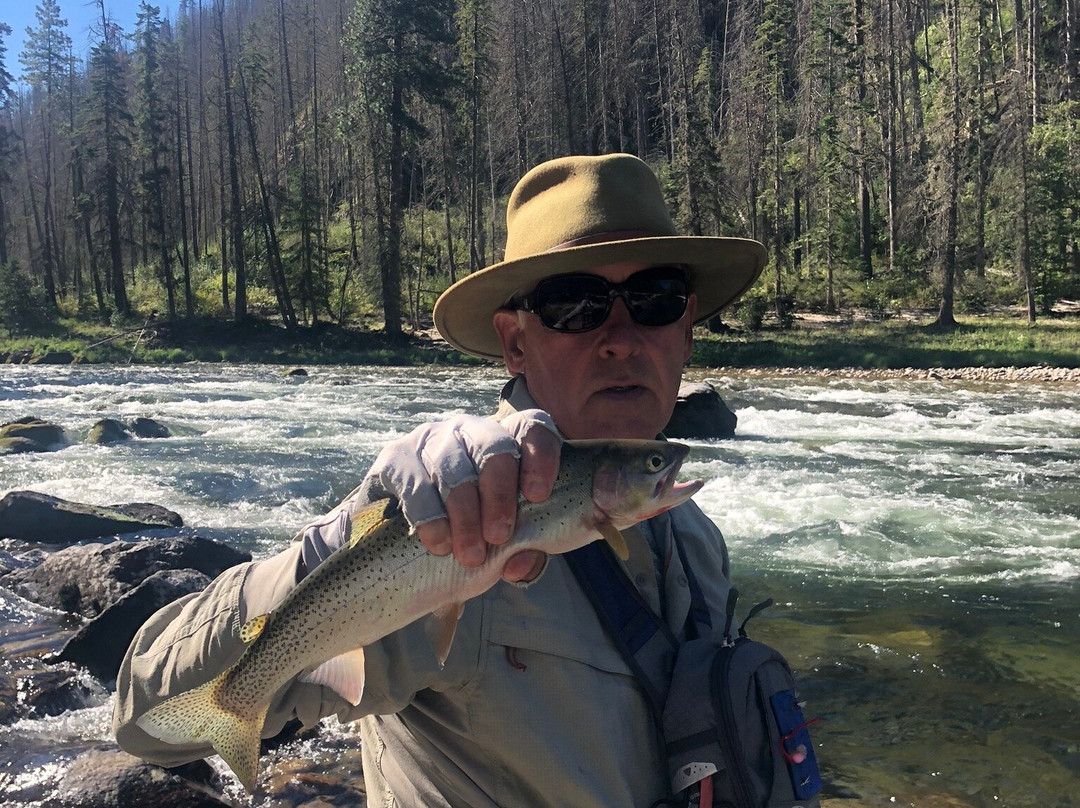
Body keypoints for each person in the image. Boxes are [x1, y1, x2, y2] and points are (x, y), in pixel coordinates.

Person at [113, 153, 767, 807]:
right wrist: (336, 546)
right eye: (575, 304)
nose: (621, 338)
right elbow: (146, 716)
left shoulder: (693, 536)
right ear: (514, 343)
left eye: (655, 299)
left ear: (685, 329)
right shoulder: (442, 517)